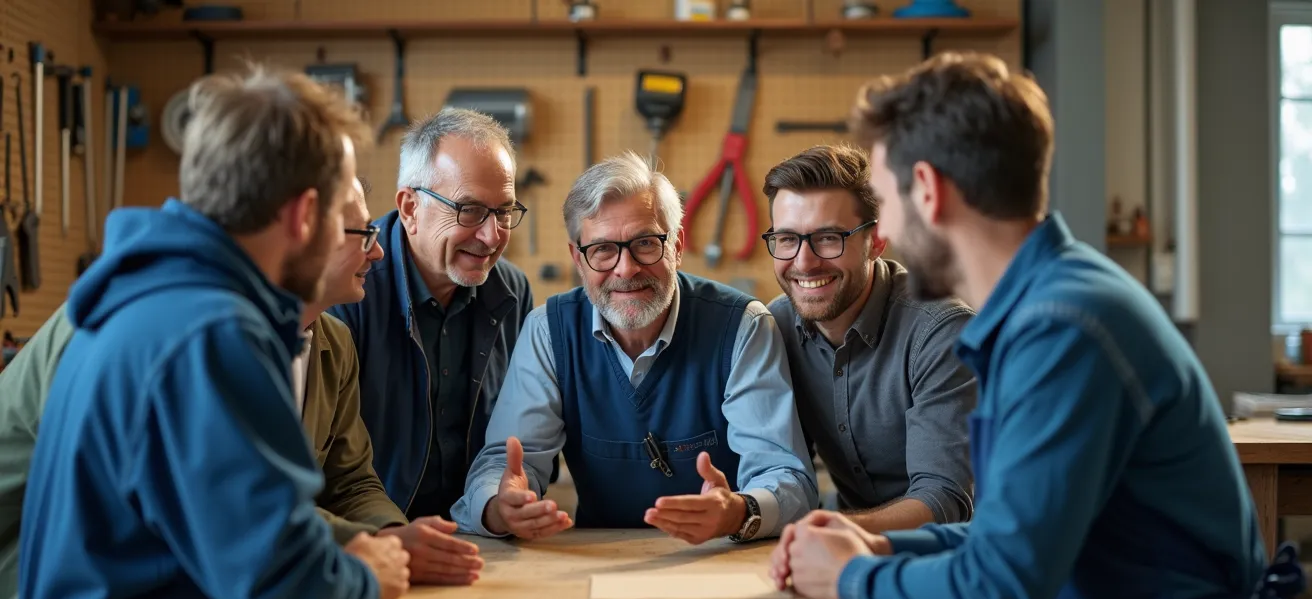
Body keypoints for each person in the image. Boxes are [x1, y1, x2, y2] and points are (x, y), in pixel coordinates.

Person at [769, 52, 1306, 599]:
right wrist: (883, 545)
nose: (886, 226)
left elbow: (1003, 589)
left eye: (885, 202)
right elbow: (1013, 534)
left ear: (928, 190)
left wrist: (852, 578)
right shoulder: (1043, 305)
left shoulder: (1062, 329)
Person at [4, 64, 411, 599]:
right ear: (303, 216)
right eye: (340, 216)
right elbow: (284, 579)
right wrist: (362, 573)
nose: (360, 241)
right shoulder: (211, 332)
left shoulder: (142, 298)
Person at [450, 151, 819, 544]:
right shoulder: (547, 333)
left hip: (719, 559)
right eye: (603, 249)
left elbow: (788, 477)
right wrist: (499, 506)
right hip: (596, 562)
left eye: (645, 243)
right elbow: (502, 468)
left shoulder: (744, 326)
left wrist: (739, 511)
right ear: (578, 258)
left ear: (676, 245)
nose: (626, 269)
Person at [328, 108, 534, 525]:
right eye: (470, 210)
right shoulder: (347, 289)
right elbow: (334, 472)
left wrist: (501, 503)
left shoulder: (511, 291)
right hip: (371, 540)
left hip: (477, 535)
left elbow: (516, 439)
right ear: (409, 207)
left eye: (503, 212)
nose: (492, 236)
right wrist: (390, 537)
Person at [761, 144, 976, 533]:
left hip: (954, 556)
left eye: (828, 238)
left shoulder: (940, 332)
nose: (804, 262)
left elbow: (946, 498)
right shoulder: (774, 326)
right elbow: (779, 466)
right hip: (850, 549)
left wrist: (835, 530)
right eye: (787, 239)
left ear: (876, 240)